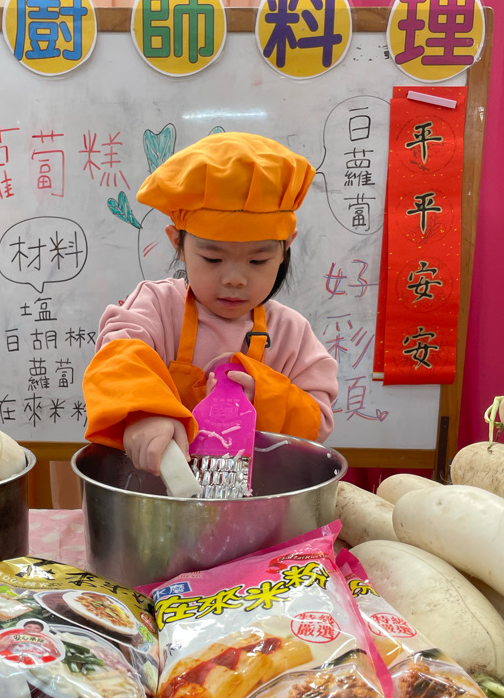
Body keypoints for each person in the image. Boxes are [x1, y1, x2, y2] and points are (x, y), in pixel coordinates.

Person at [83, 131, 339, 476]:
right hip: (155, 492)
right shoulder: (157, 306)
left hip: (255, 495)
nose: (235, 279)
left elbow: (317, 420)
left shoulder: (291, 333)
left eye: (258, 261)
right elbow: (117, 357)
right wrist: (143, 411)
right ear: (178, 243)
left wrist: (265, 397)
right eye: (213, 259)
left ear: (285, 248)